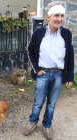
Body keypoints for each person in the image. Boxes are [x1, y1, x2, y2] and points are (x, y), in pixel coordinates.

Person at [24, 1, 74, 140]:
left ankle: (47, 124)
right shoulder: (39, 33)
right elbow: (31, 52)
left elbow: (70, 56)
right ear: (48, 17)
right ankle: (33, 122)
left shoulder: (66, 33)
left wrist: (70, 76)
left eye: (62, 16)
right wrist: (37, 69)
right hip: (43, 74)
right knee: (38, 102)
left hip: (59, 74)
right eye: (56, 15)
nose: (59, 19)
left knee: (52, 103)